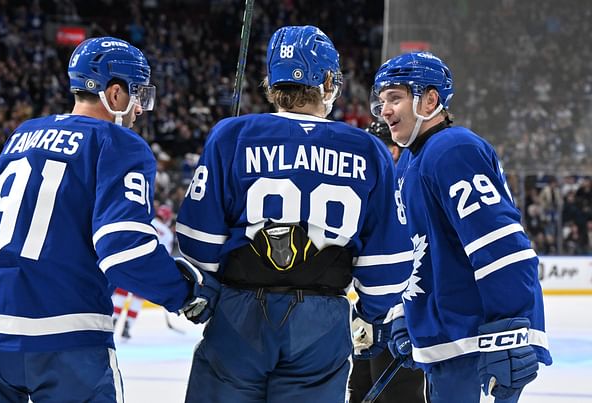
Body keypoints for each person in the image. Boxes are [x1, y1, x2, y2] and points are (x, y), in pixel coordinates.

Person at [0, 36, 220, 402]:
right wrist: (185, 292)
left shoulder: (22, 134)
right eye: (137, 94)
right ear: (114, 94)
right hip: (61, 329)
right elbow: (123, 251)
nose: (141, 108)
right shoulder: (119, 143)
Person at [175, 25, 412, 403]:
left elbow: (196, 241)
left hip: (239, 313)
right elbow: (388, 258)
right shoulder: (368, 149)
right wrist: (372, 312)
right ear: (329, 80)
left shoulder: (231, 135)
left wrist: (210, 287)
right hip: (321, 322)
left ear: (271, 81)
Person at [370, 51, 552, 402]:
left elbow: (502, 247)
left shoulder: (453, 149)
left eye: (395, 98)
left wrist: (509, 331)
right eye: (382, 102)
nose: (386, 111)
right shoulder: (409, 160)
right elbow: (411, 249)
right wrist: (405, 314)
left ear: (430, 99)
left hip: (477, 343)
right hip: (446, 342)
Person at [348, 120, 427, 403]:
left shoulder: (411, 185)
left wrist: (406, 314)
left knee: (398, 392)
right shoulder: (372, 191)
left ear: (394, 152)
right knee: (360, 388)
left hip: (401, 311)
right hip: (368, 310)